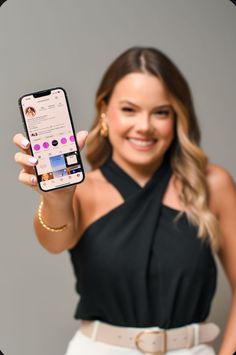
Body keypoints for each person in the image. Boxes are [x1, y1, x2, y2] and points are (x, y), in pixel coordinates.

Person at [13, 47, 236, 355]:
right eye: (130, 109)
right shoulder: (85, 191)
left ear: (177, 116)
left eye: (161, 112)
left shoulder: (213, 184)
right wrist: (56, 198)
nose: (144, 126)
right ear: (104, 109)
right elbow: (54, 241)